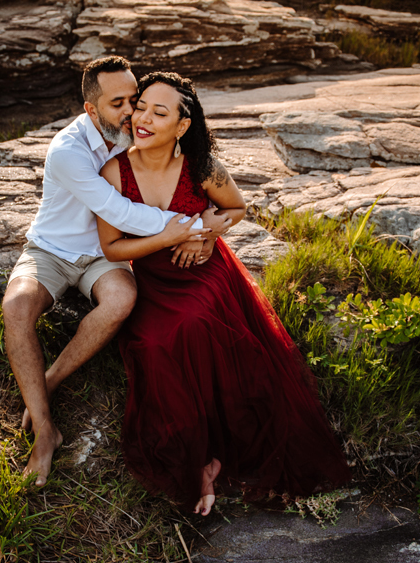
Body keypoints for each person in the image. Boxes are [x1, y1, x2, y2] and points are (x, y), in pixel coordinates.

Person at [97, 72, 352, 515]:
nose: (143, 118)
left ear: (182, 126)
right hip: (156, 279)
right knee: (153, 346)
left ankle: (213, 458)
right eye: (141, 107)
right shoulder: (114, 172)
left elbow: (237, 207)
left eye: (160, 112)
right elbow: (112, 246)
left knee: (197, 325)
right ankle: (198, 459)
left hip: (204, 272)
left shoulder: (201, 166)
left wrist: (208, 234)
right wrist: (173, 235)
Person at [2, 57, 232, 487]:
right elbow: (116, 209)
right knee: (16, 308)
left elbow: (180, 173)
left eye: (135, 99)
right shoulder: (69, 150)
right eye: (118, 104)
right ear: (91, 110)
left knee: (122, 300)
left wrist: (204, 223)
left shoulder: (135, 133)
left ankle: (50, 380)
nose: (132, 112)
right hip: (52, 249)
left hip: (105, 256)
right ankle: (47, 434)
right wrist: (190, 230)